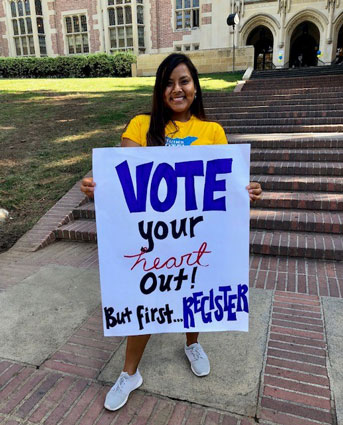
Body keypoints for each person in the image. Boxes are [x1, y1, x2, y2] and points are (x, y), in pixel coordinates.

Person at [81, 53, 262, 412]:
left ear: (195, 86)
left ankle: (191, 343)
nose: (176, 89)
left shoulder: (212, 132)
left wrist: (245, 191)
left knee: (194, 284)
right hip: (153, 238)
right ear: (159, 90)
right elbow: (120, 179)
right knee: (145, 299)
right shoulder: (140, 126)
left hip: (193, 234)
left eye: (184, 81)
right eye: (168, 82)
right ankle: (130, 372)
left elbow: (224, 187)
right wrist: (96, 187)